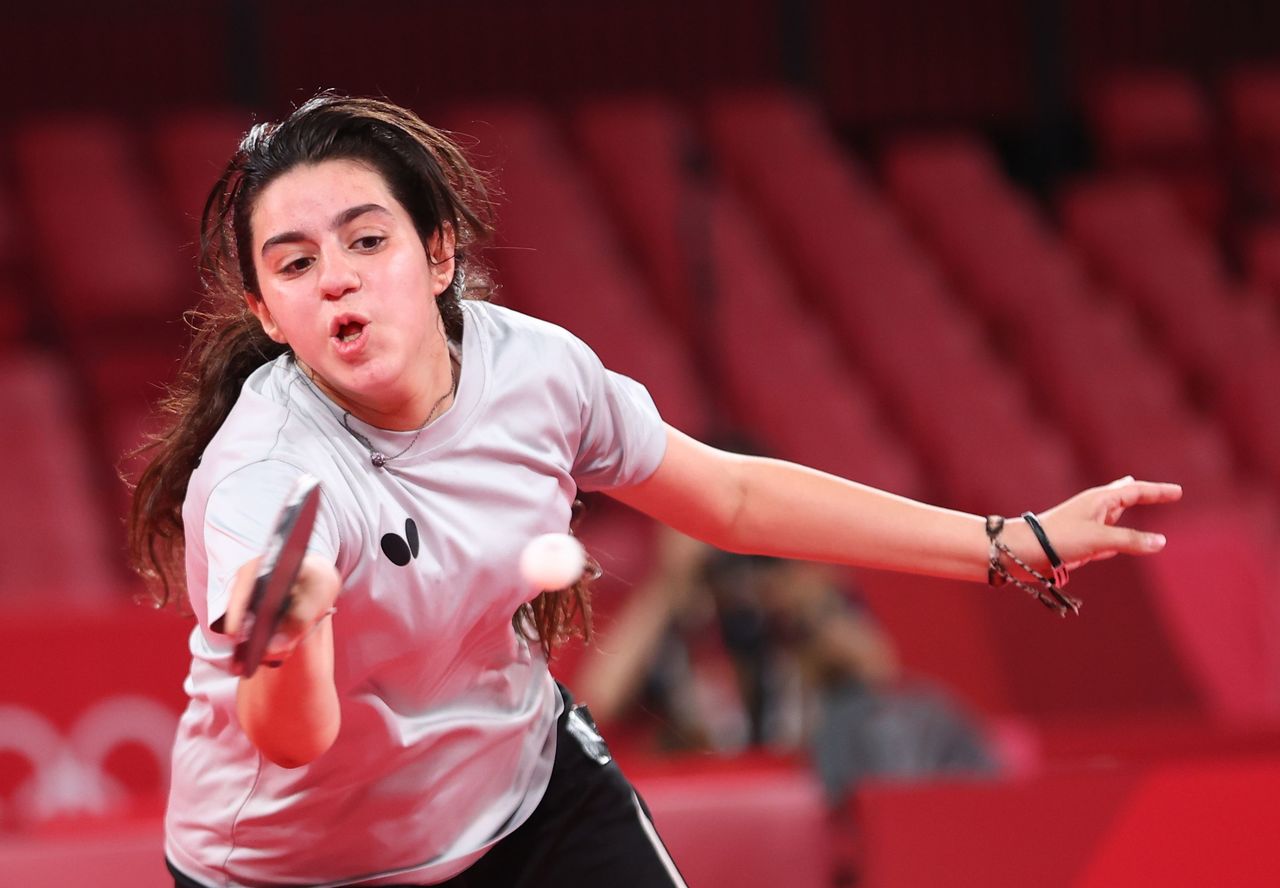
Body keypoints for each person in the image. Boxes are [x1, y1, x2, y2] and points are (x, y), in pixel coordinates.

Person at [128, 92, 1181, 888]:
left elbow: (729, 499)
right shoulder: (267, 473)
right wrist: (292, 638)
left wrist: (1007, 540)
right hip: (293, 865)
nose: (339, 277)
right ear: (270, 313)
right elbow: (290, 735)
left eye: (367, 240)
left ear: (439, 253)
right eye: (296, 264)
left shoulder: (534, 374)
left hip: (521, 801)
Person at [578, 526, 996, 797]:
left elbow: (878, 667)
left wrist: (800, 596)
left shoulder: (798, 604)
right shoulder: (679, 616)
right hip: (713, 798)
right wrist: (669, 583)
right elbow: (599, 699)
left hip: (807, 791)